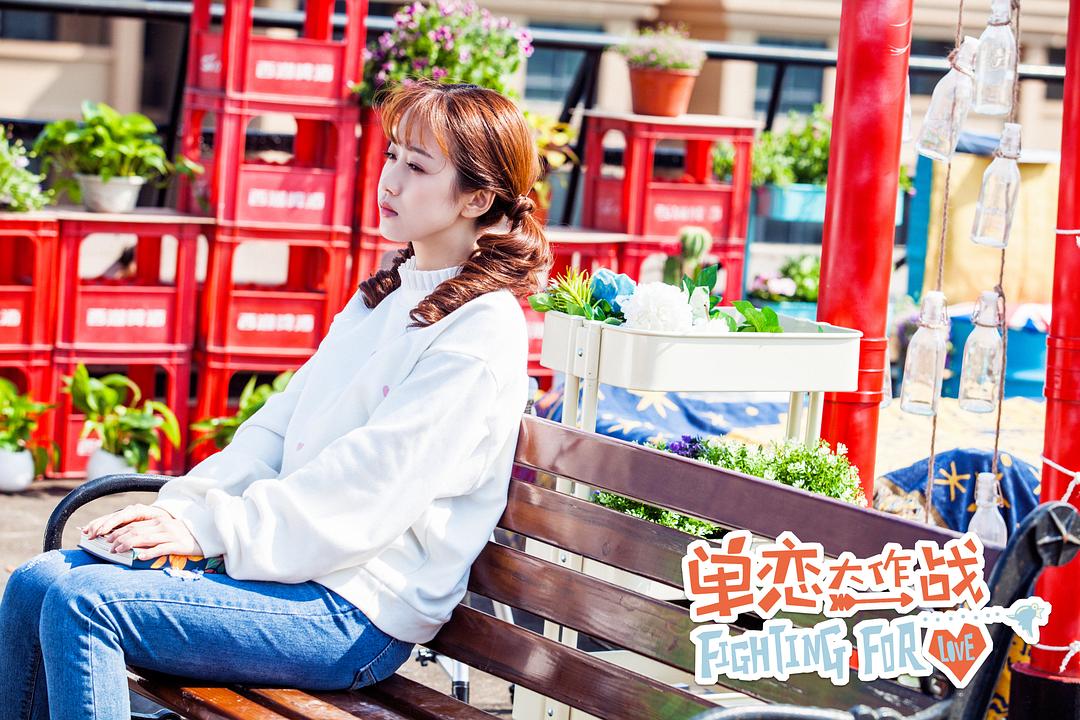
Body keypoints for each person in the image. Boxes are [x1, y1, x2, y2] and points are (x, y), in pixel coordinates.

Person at [0, 80, 551, 720]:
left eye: (417, 166)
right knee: (36, 583)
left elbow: (366, 493)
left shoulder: (480, 328)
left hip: (355, 611)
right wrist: (182, 511)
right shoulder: (388, 296)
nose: (390, 179)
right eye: (392, 154)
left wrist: (208, 531)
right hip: (296, 572)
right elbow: (273, 431)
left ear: (477, 198)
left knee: (85, 604)